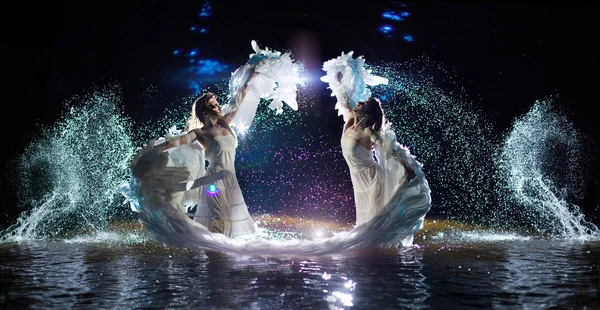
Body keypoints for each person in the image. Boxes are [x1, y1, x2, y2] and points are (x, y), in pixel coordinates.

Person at [164, 66, 259, 238]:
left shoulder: (225, 123)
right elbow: (177, 142)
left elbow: (239, 98)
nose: (219, 107)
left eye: (218, 104)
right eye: (214, 105)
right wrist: (157, 149)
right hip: (214, 180)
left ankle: (220, 257)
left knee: (227, 221)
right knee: (217, 218)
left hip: (231, 178)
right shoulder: (199, 133)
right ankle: (214, 259)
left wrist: (249, 78)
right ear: (206, 111)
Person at [340, 97, 416, 227]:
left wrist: (407, 167)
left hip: (374, 179)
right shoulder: (349, 123)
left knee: (375, 219)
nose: (358, 103)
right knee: (366, 219)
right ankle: (377, 245)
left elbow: (389, 150)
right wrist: (337, 80)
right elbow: (344, 102)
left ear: (367, 114)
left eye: (363, 104)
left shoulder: (368, 132)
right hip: (360, 180)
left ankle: (384, 244)